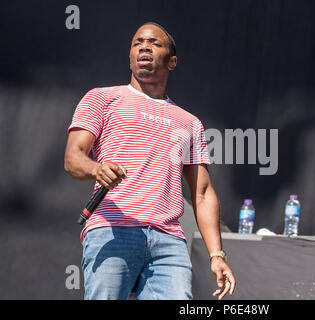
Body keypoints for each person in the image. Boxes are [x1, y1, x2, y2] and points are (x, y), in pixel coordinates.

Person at [64, 22, 236, 300]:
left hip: (169, 241)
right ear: (130, 56)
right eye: (137, 43)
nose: (144, 46)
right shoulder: (102, 98)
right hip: (112, 229)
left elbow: (202, 193)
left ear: (172, 61)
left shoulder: (190, 123)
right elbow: (72, 159)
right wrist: (97, 169)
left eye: (154, 43)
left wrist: (216, 254)